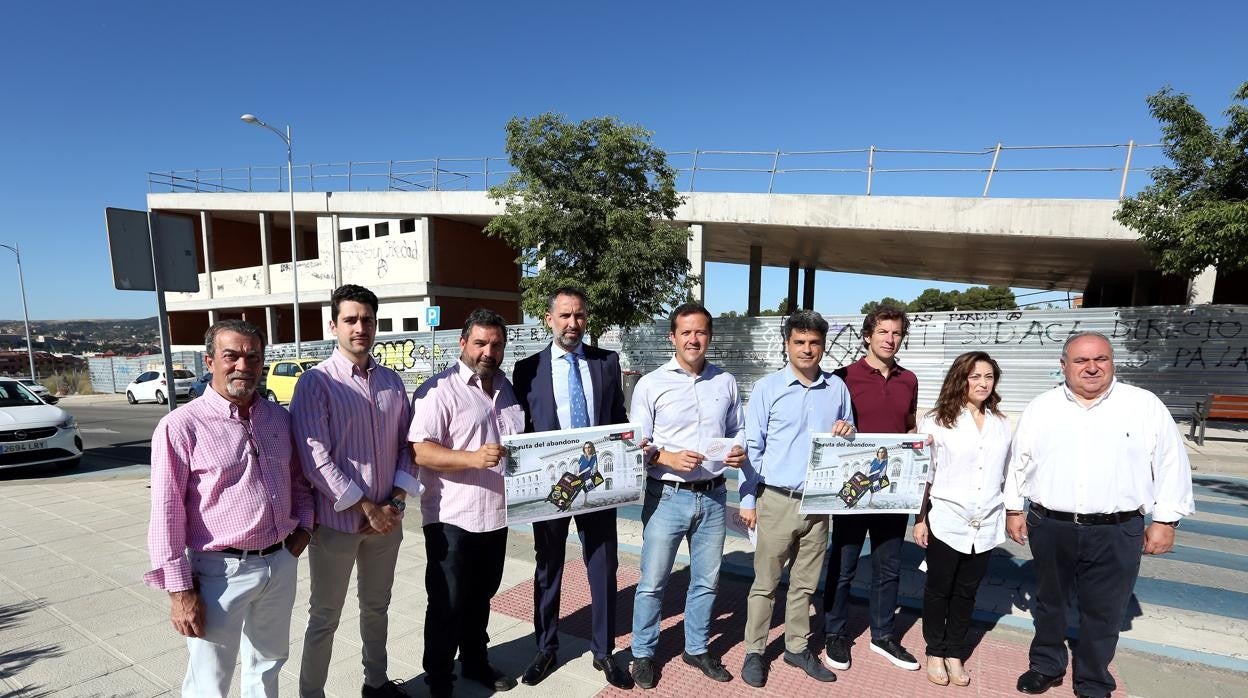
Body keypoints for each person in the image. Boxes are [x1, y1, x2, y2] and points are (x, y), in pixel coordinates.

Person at [1005, 331, 1194, 698]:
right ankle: (1045, 665)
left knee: (1104, 610)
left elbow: (1171, 463)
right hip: (1051, 523)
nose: (1091, 368)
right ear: (1064, 366)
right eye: (1080, 361)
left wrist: (1166, 519)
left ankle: (1092, 680)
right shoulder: (1042, 407)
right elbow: (1019, 462)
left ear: (1112, 363)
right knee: (1050, 602)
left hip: (1117, 528)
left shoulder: (1143, 405)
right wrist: (1014, 508)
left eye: (1101, 359)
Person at [144, 319, 313, 697]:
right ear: (209, 361)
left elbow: (300, 482)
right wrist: (180, 592)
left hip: (279, 561)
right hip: (219, 572)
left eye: (253, 356)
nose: (243, 365)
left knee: (268, 665)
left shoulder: (279, 419)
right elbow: (167, 512)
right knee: (210, 679)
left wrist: (302, 533)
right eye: (231, 356)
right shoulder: (180, 426)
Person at [293, 284, 419, 698]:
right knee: (325, 616)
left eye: (366, 319)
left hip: (387, 521)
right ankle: (312, 694)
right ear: (334, 325)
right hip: (337, 525)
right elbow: (314, 459)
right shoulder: (316, 383)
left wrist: (395, 503)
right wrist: (366, 507)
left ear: (375, 324)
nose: (359, 327)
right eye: (350, 319)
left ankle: (376, 682)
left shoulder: (391, 382)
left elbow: (407, 445)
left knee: (377, 607)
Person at [511, 286, 634, 689]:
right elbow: (522, 429)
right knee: (548, 568)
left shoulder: (606, 363)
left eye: (579, 315)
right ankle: (546, 648)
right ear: (549, 319)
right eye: (564, 315)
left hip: (596, 486)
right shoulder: (527, 369)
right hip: (551, 489)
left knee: (603, 567)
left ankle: (604, 651)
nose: (572, 323)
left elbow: (617, 417)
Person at [628, 302, 747, 689]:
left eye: (701, 332)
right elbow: (635, 444)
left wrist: (738, 450)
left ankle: (695, 648)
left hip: (713, 496)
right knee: (653, 581)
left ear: (709, 336)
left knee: (707, 581)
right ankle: (643, 652)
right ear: (673, 337)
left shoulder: (725, 382)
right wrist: (664, 455)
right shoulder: (651, 383)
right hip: (666, 496)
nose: (694, 339)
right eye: (686, 332)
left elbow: (738, 429)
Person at [409, 308, 526, 698]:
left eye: (496, 344)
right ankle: (439, 678)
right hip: (452, 518)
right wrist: (472, 458)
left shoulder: (507, 388)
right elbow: (421, 452)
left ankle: (475, 662)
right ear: (463, 343)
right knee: (446, 602)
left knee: (481, 597)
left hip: (496, 515)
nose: (488, 351)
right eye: (480, 342)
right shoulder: (438, 390)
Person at [738, 310, 855, 688]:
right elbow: (752, 447)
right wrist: (748, 498)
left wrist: (847, 431)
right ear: (787, 345)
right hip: (776, 499)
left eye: (814, 343)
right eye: (800, 342)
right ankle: (754, 651)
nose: (807, 349)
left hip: (818, 504)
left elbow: (851, 441)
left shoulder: (837, 389)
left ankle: (796, 646)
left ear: (823, 345)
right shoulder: (767, 389)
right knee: (765, 583)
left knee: (805, 584)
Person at [822, 305, 921, 673]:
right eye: (883, 332)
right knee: (844, 563)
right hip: (854, 488)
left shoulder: (908, 379)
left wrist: (917, 442)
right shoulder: (842, 377)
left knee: (889, 566)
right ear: (867, 335)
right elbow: (830, 425)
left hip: (893, 489)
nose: (890, 339)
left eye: (896, 333)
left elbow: (909, 425)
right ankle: (834, 632)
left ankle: (883, 635)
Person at [912, 351, 1012, 687]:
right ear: (961, 379)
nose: (982, 383)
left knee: (967, 591)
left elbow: (1008, 473)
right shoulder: (937, 421)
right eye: (975, 376)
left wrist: (1014, 510)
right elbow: (925, 474)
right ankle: (935, 650)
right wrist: (920, 518)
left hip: (985, 520)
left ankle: (954, 651)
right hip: (946, 518)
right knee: (939, 588)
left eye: (988, 376)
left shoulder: (1001, 424)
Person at [577, 441, 599, 506]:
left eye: (589, 447)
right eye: (586, 448)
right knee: (576, 489)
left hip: (586, 474)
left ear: (592, 448)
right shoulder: (582, 456)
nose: (587, 449)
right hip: (580, 474)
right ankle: (569, 504)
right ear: (584, 449)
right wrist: (578, 472)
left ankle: (585, 502)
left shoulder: (594, 456)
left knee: (586, 489)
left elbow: (590, 467)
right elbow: (578, 464)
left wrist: (581, 473)